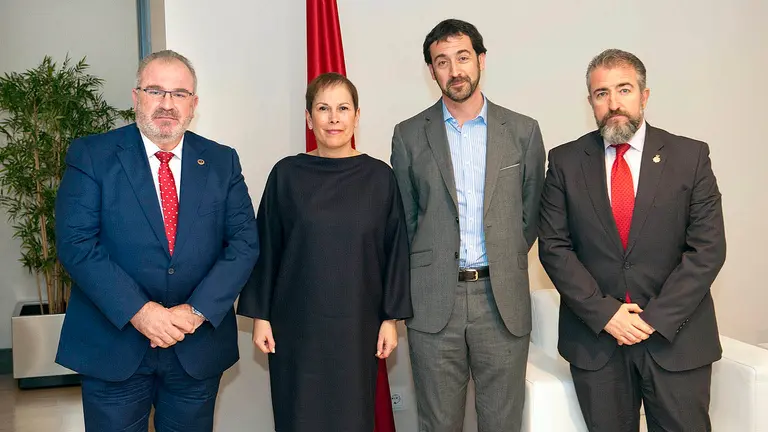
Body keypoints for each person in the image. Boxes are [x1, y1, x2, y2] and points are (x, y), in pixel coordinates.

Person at [54, 49, 260, 432]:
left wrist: (195, 312)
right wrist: (142, 312)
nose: (167, 103)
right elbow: (76, 242)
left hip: (195, 347)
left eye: (179, 93)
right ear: (136, 97)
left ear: (194, 103)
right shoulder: (92, 155)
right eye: (155, 91)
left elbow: (244, 243)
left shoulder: (221, 161)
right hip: (113, 344)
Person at [538, 48, 726, 432]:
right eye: (601, 93)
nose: (613, 103)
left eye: (624, 89)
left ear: (644, 95)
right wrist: (606, 314)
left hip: (676, 340)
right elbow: (554, 248)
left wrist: (654, 319)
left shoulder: (690, 156)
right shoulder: (564, 161)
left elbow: (707, 249)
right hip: (598, 343)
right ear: (590, 102)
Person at [390, 18, 546, 431]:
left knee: (502, 422)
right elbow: (406, 219)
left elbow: (530, 215)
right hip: (433, 303)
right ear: (432, 71)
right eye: (442, 61)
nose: (454, 70)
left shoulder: (523, 132)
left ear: (481, 60)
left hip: (501, 301)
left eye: (462, 57)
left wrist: (503, 255)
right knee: (438, 423)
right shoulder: (408, 136)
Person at [236, 72, 412, 432]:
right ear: (308, 117)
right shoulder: (286, 174)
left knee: (352, 416)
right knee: (299, 415)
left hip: (358, 326)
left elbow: (395, 250)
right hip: (295, 327)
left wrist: (390, 319)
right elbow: (266, 246)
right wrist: (261, 316)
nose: (334, 118)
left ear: (357, 116)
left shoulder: (380, 177)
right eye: (323, 108)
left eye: (343, 108)